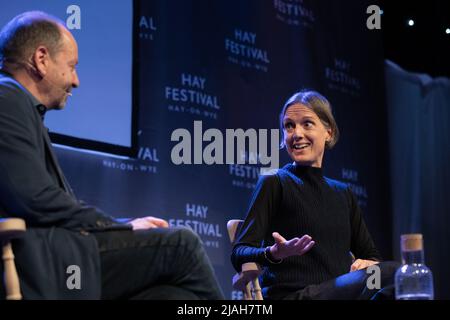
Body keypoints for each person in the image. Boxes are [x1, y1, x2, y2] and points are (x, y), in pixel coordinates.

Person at [0, 11, 224, 300]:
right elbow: (35, 198)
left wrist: (119, 226)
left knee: (172, 296)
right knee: (182, 245)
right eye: (72, 66)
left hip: (56, 255)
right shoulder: (8, 99)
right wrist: (122, 227)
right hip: (38, 261)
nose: (76, 81)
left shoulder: (16, 103)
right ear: (41, 59)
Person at [231, 90, 399, 300]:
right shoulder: (275, 182)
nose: (297, 133)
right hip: (292, 296)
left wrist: (368, 263)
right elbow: (239, 253)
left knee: (399, 280)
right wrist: (273, 253)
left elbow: (372, 256)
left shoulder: (343, 193)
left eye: (307, 123)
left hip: (337, 294)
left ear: (328, 132)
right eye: (289, 126)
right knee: (396, 274)